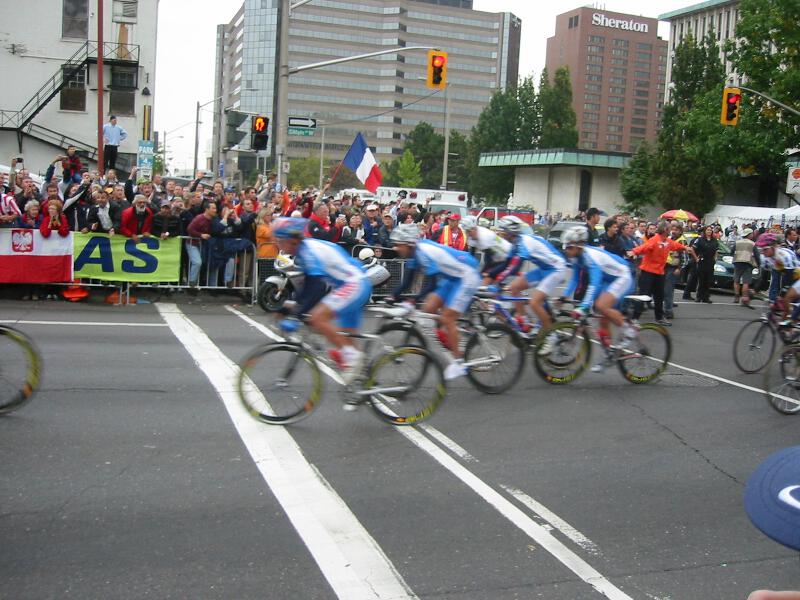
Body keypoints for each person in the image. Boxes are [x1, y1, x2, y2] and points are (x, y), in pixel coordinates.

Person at [272, 217, 371, 387]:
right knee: (346, 339)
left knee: (318, 318)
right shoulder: (304, 249)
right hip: (352, 282)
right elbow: (307, 287)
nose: (277, 244)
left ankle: (352, 358)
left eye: (280, 240)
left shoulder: (308, 251)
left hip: (353, 284)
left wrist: (296, 315)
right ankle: (365, 384)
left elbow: (317, 287)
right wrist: (287, 308)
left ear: (293, 240)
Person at [388, 223, 481, 380]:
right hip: (452, 277)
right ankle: (448, 335)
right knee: (428, 308)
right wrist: (392, 296)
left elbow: (432, 284)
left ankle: (459, 362)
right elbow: (408, 280)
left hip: (467, 275)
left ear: (409, 244)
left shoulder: (424, 252)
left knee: (447, 317)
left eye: (398, 245)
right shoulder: (413, 252)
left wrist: (412, 300)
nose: (395, 248)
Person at [560, 226, 638, 372]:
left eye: (569, 247)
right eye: (565, 247)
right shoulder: (577, 257)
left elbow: (594, 284)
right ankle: (609, 354)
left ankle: (629, 330)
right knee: (602, 319)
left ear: (579, 246)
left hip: (622, 276)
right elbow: (575, 279)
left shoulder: (591, 257)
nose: (566, 250)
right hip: (608, 280)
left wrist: (584, 306)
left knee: (601, 305)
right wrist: (563, 297)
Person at [494, 215, 567, 343]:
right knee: (514, 288)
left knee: (534, 302)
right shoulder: (515, 243)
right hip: (544, 269)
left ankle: (552, 337)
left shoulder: (524, 242)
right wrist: (495, 280)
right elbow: (507, 264)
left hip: (556, 269)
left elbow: (515, 265)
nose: (500, 234)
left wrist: (499, 280)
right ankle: (525, 322)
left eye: (502, 231)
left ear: (510, 232)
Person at [629, 220, 697, 325]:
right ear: (665, 229)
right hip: (647, 272)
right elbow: (644, 248)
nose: (671, 230)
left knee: (659, 296)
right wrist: (633, 251)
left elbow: (676, 245)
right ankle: (635, 318)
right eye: (670, 228)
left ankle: (659, 318)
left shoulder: (667, 241)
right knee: (643, 295)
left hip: (659, 273)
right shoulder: (654, 240)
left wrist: (685, 248)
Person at [459, 215, 512, 282]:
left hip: (506, 255)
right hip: (496, 256)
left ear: (475, 228)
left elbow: (489, 261)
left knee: (487, 279)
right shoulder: (471, 237)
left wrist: (480, 273)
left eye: (469, 231)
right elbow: (471, 257)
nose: (468, 234)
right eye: (466, 232)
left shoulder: (485, 237)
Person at [693, 225, 720, 303]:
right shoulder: (700, 240)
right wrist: (696, 258)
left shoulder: (714, 240)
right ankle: (699, 297)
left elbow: (717, 250)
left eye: (710, 230)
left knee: (708, 280)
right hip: (702, 261)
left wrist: (715, 258)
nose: (709, 231)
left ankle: (706, 297)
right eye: (707, 230)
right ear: (705, 231)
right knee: (701, 279)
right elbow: (692, 249)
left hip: (710, 261)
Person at [732, 228, 758, 308]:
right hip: (747, 263)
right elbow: (757, 255)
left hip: (737, 262)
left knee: (736, 280)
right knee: (745, 282)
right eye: (752, 234)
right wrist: (758, 264)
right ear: (749, 235)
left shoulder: (737, 242)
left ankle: (736, 296)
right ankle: (744, 298)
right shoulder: (752, 244)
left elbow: (731, 251)